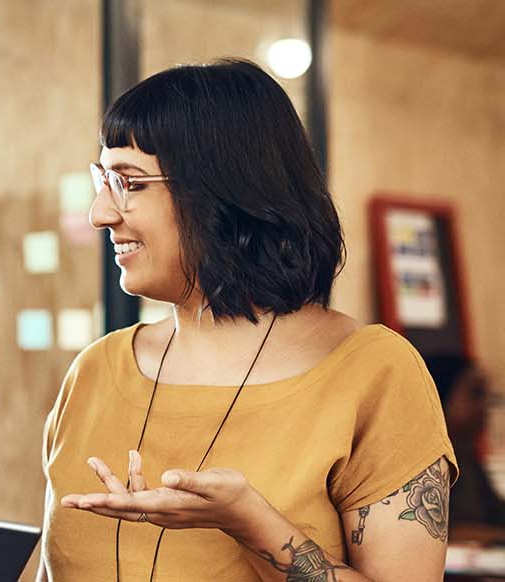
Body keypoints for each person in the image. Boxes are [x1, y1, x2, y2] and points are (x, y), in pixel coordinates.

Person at [38, 59, 455, 581]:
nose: (100, 212)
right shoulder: (94, 371)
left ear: (223, 194)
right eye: (102, 180)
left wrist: (253, 524)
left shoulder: (375, 372)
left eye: (130, 183)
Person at [431, 357, 505, 544]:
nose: (485, 406)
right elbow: (449, 533)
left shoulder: (465, 454)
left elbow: (496, 515)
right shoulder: (428, 461)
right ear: (440, 396)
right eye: (475, 394)